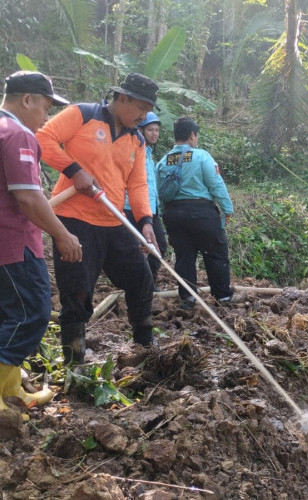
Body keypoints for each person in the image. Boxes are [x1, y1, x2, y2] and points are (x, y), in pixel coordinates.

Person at [37, 73, 161, 364]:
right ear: (123, 98)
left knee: (141, 278)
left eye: (147, 111)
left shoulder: (137, 140)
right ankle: (74, 358)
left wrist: (146, 221)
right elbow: (43, 138)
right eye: (140, 108)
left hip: (115, 221)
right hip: (75, 221)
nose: (144, 116)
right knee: (77, 290)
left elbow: (138, 183)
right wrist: (74, 171)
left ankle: (145, 344)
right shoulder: (82, 115)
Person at [0, 71, 82, 411]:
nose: (46, 118)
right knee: (31, 314)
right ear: (27, 99)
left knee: (8, 315)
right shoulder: (17, 134)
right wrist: (63, 235)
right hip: (13, 243)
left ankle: (11, 391)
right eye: (46, 107)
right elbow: (29, 199)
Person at [156, 116, 234, 310]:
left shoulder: (163, 162)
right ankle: (222, 297)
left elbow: (159, 193)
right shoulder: (201, 156)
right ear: (192, 135)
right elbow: (216, 184)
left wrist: (166, 214)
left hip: (173, 215)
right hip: (201, 213)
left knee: (184, 256)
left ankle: (188, 299)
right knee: (215, 253)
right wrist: (227, 208)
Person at [124, 111, 168, 291]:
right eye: (150, 129)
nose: (154, 134)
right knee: (135, 250)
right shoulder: (131, 149)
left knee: (160, 246)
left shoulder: (148, 154)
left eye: (157, 130)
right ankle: (137, 285)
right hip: (130, 208)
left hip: (151, 211)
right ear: (140, 129)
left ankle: (149, 282)